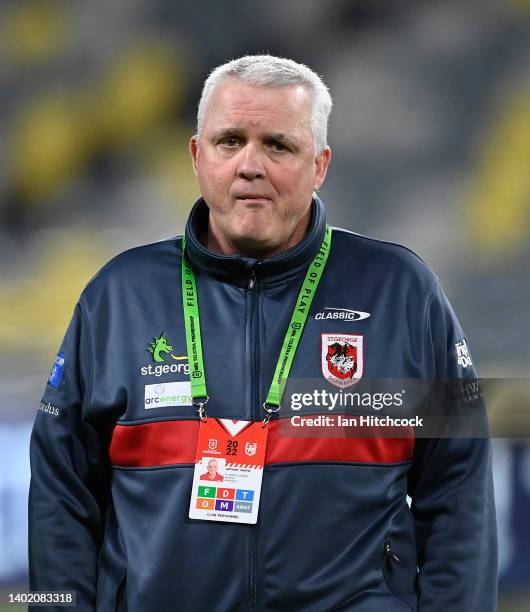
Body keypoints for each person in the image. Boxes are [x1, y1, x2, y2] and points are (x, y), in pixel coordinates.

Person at [29, 54, 497, 611]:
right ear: (197, 156)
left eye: (278, 145)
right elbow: (60, 496)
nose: (250, 165)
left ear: (319, 165)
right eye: (230, 141)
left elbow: (460, 491)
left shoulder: (402, 292)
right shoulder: (117, 296)